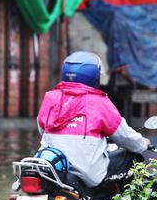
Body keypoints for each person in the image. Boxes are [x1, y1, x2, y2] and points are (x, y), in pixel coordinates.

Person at [36, 51, 150, 189]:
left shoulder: (50, 97)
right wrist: (143, 144)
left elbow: (43, 129)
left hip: (51, 167)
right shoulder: (99, 102)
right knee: (131, 159)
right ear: (94, 76)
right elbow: (124, 136)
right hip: (87, 173)